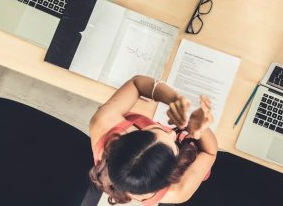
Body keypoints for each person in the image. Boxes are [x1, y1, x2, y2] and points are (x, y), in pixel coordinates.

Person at [89, 75, 218, 204]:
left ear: (125, 136)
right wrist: (201, 131)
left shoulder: (103, 123)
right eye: (174, 147)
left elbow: (136, 83)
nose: (172, 132)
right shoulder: (178, 191)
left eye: (155, 130)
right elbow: (210, 152)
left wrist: (173, 99)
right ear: (172, 173)